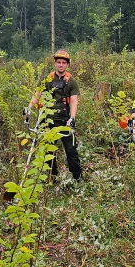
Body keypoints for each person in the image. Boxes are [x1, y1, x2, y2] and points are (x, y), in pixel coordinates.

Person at [27, 49, 82, 181]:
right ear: (55, 63)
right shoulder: (47, 80)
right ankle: (53, 176)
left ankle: (77, 177)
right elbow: (37, 95)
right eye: (58, 62)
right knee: (47, 151)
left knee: (71, 150)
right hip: (48, 121)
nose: (61, 65)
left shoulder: (72, 82)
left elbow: (74, 101)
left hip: (65, 121)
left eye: (63, 62)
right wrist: (29, 108)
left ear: (67, 64)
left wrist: (72, 118)